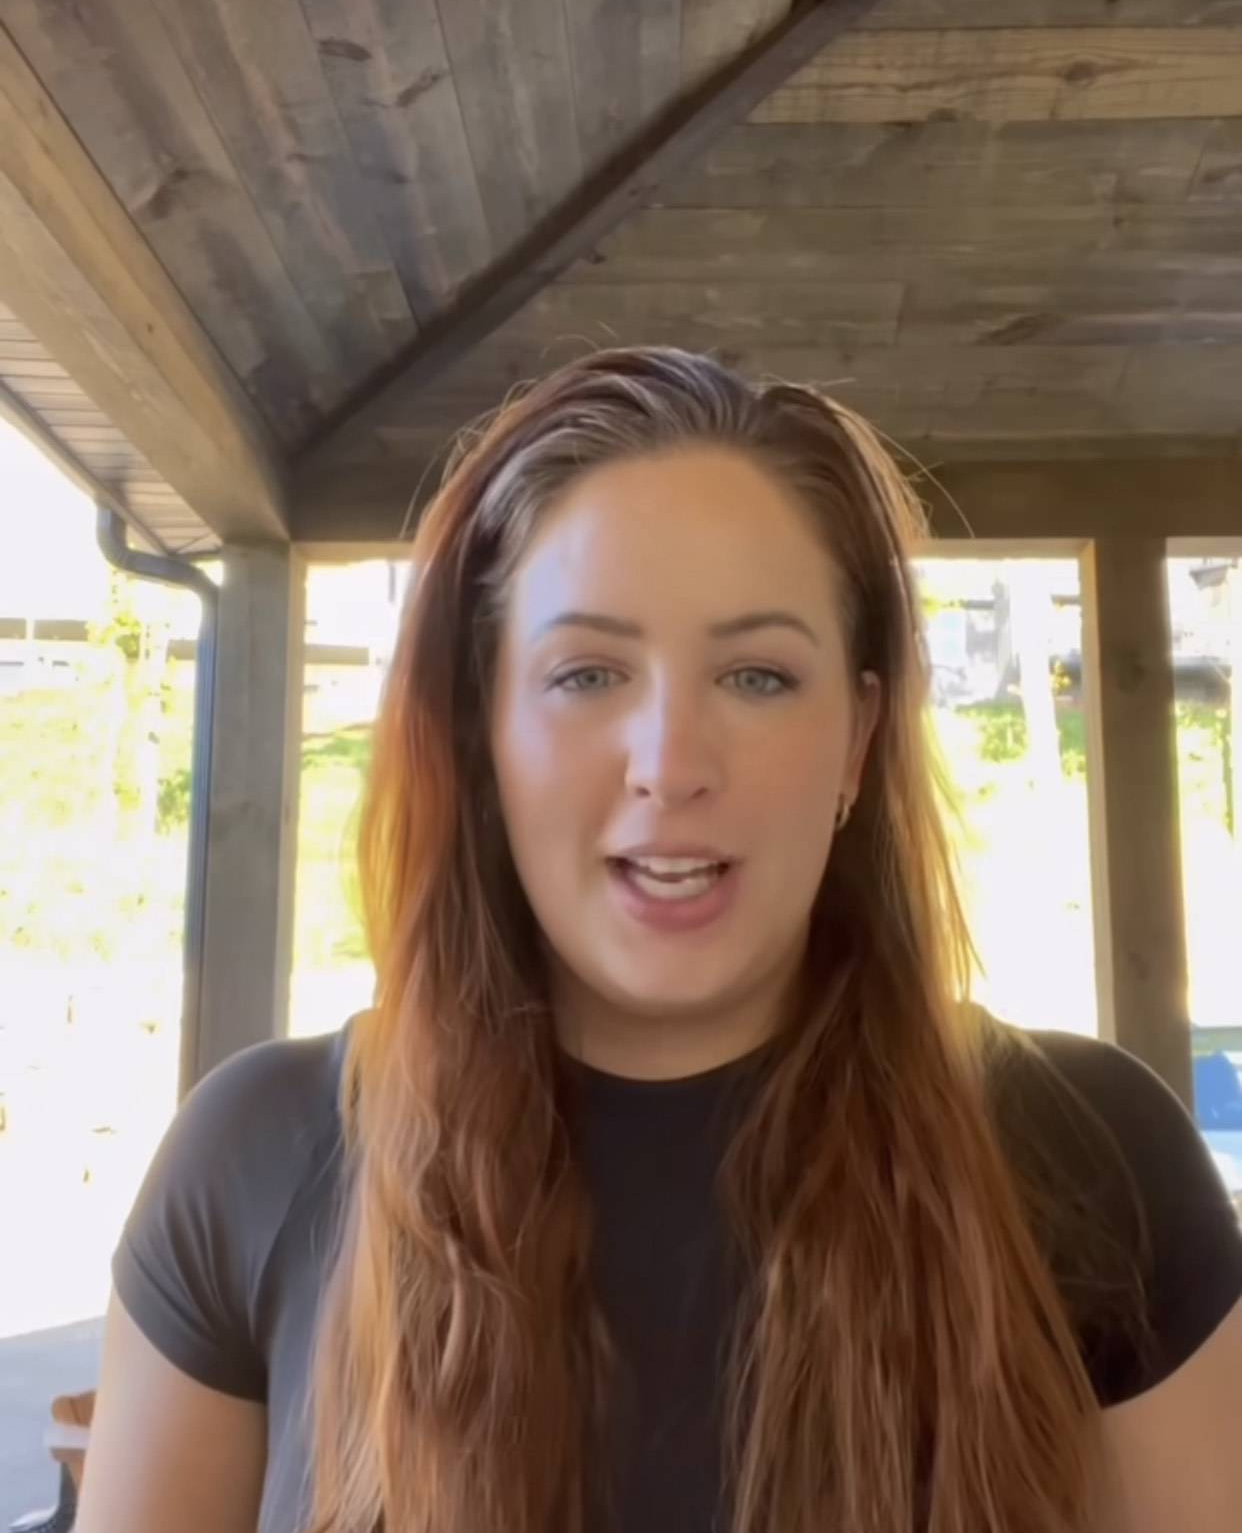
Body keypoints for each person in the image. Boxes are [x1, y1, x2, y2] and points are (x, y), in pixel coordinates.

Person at [75, 349, 1242, 1533]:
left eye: (757, 676)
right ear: (482, 734)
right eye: (588, 673)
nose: (672, 764)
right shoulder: (255, 1162)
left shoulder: (1098, 1158)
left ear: (857, 740)